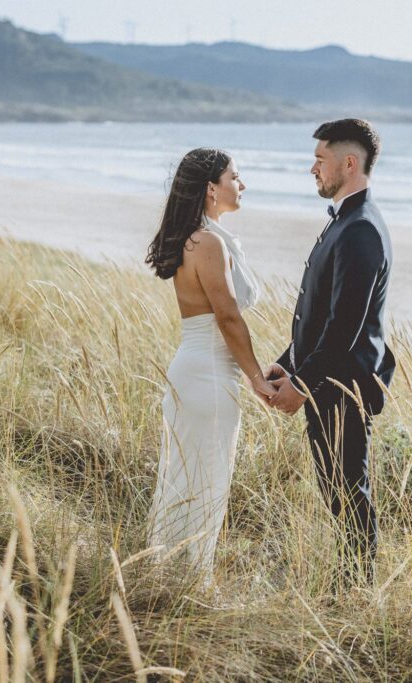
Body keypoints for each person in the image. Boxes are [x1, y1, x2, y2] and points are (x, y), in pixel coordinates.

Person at [265, 119, 395, 587]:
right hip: (326, 378)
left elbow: (345, 326)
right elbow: (320, 315)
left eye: (320, 160)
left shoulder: (360, 229)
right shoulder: (345, 221)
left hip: (344, 386)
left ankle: (356, 592)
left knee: (348, 493)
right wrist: (289, 362)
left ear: (349, 163)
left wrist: (301, 385)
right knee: (336, 491)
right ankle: (347, 585)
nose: (312, 169)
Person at [145, 148, 276, 580]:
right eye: (236, 177)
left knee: (193, 477)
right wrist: (257, 378)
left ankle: (171, 576)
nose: (242, 184)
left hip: (200, 372)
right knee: (201, 481)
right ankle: (184, 580)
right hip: (207, 376)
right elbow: (227, 316)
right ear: (211, 189)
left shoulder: (202, 238)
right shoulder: (207, 243)